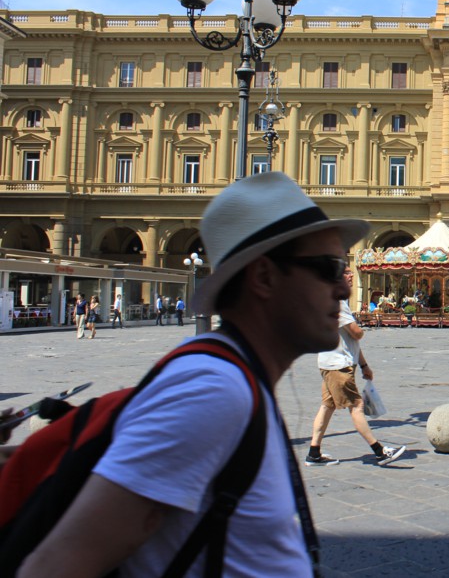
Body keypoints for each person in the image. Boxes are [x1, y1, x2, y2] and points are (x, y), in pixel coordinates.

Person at [16, 172, 370, 576]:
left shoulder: (236, 379)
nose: (343, 290)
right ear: (264, 277)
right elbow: (56, 565)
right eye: (328, 269)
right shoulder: (211, 392)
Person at [307, 265, 406, 467]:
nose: (350, 275)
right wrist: (361, 330)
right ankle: (379, 451)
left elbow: (349, 340)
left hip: (331, 363)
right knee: (357, 406)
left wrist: (363, 365)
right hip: (338, 365)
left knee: (327, 406)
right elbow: (355, 333)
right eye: (345, 272)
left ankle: (314, 453)